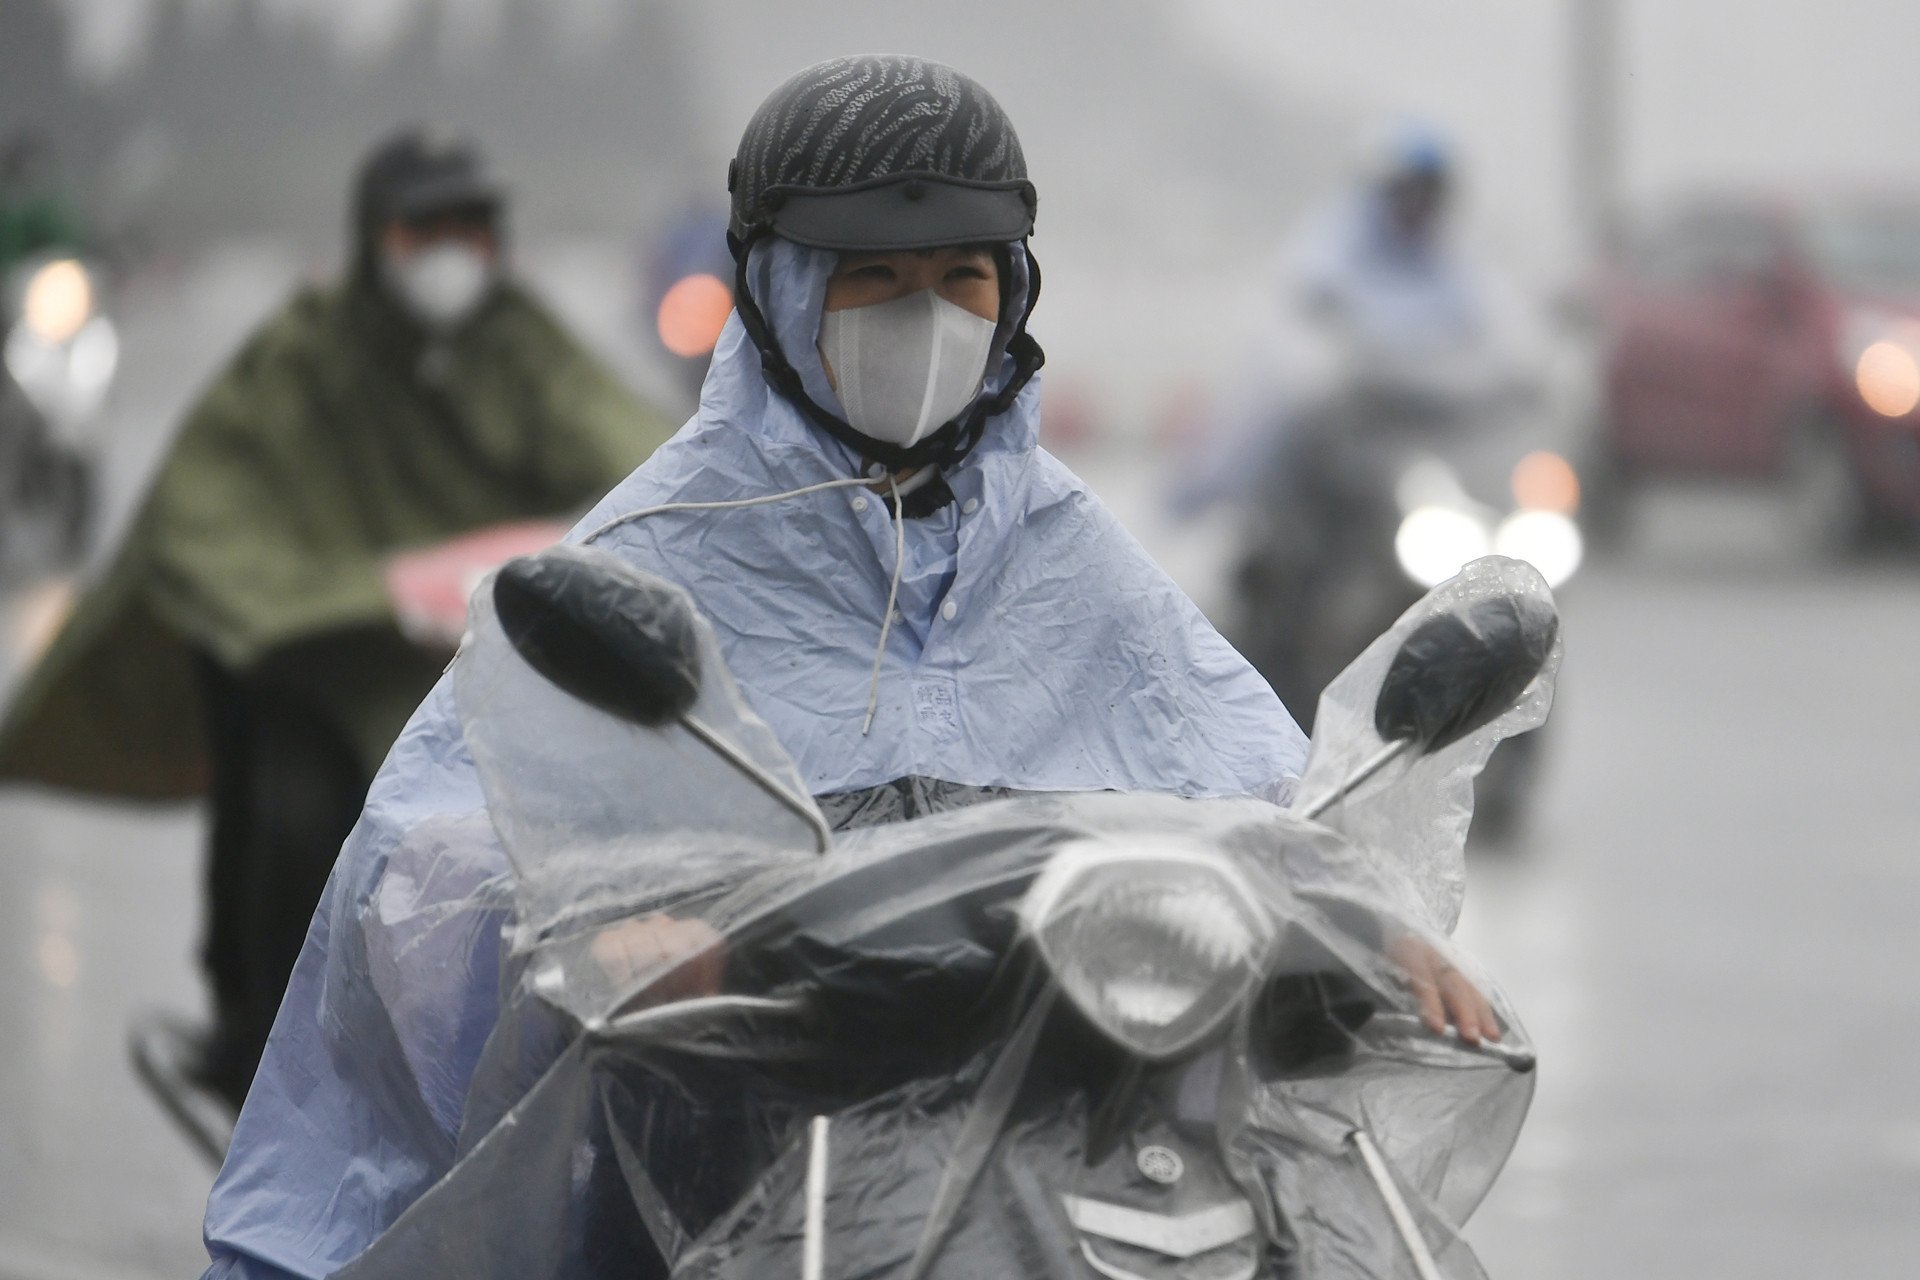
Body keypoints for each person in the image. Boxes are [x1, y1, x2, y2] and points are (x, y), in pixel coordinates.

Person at [197, 59, 1497, 1279]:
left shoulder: (1074, 554)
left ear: (1015, 291)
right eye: (872, 278)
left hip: (1051, 1148)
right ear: (777, 287)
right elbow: (429, 860)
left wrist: (1356, 911)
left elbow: (1243, 785)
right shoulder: (653, 551)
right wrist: (590, 925)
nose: (924, 314)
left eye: (961, 277)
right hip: (715, 1159)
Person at [0, 128, 673, 1119]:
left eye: (469, 226)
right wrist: (339, 596)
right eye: (424, 227)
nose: (450, 251)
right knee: (285, 796)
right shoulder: (304, 356)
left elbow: (637, 456)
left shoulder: (520, 345)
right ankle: (254, 1030)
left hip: (487, 671)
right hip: (336, 666)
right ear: (376, 236)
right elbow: (209, 514)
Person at [1171, 121, 1535, 517]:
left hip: (1427, 444)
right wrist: (1330, 370)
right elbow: (1296, 347)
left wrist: (1526, 372)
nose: (1418, 208)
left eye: (1429, 196)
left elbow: (1508, 339)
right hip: (1340, 441)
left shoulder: (1455, 267)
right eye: (1407, 193)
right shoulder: (1328, 256)